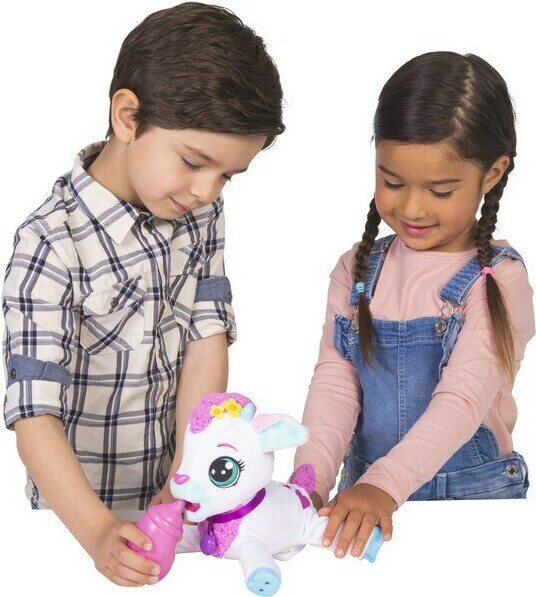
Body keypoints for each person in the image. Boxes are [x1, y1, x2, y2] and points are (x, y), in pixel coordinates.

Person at [2, 2, 284, 587]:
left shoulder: (199, 214)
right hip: (76, 525)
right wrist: (98, 531)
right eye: (195, 162)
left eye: (227, 176)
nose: (207, 191)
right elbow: (33, 414)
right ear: (128, 117)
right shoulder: (49, 244)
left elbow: (206, 336)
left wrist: (186, 468)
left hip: (179, 501)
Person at [294, 51, 534, 562]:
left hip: (472, 508)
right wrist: (308, 483)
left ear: (492, 173)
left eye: (441, 190)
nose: (412, 208)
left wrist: (383, 484)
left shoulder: (497, 279)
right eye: (392, 182)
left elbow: (462, 402)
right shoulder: (357, 269)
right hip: (365, 506)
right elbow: (335, 382)